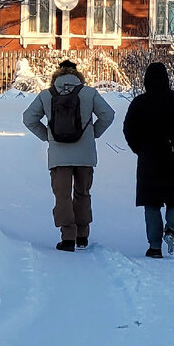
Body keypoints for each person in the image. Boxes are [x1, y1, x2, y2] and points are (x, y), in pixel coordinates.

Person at [22, 58, 115, 251]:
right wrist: (93, 133)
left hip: (59, 156)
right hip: (85, 155)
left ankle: (67, 238)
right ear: (77, 75)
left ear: (56, 75)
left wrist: (48, 136)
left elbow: (28, 118)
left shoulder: (46, 95)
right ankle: (82, 235)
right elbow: (108, 114)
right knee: (83, 193)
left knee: (62, 196)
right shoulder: (89, 93)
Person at [123, 62, 174, 258]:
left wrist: (139, 149)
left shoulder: (139, 103)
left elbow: (128, 129)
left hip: (149, 160)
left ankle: (154, 246)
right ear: (167, 78)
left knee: (151, 202)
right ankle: (171, 230)